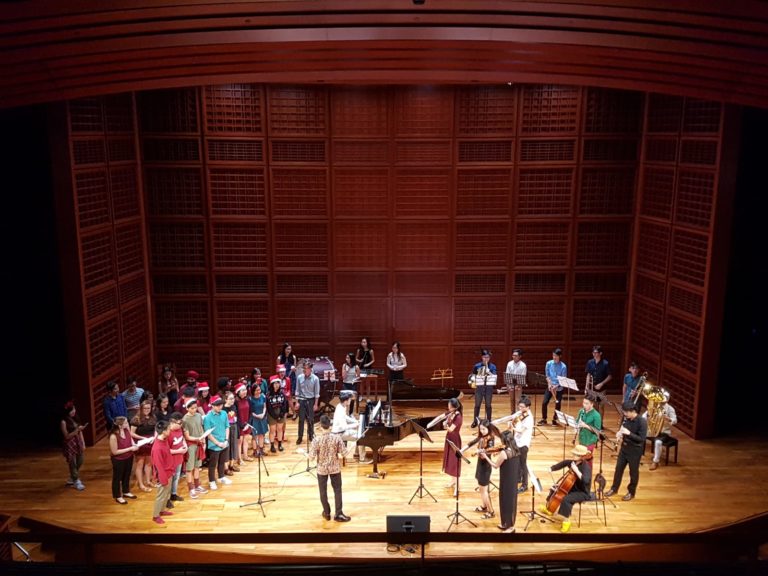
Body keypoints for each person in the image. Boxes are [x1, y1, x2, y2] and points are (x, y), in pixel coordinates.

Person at [539, 444, 593, 533]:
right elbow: (563, 463)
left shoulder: (585, 467)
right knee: (555, 488)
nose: (573, 456)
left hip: (582, 492)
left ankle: (566, 521)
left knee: (566, 499)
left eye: (575, 455)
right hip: (573, 488)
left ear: (581, 457)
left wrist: (576, 470)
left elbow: (586, 481)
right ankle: (549, 509)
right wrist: (552, 468)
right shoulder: (573, 462)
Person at [308, 414, 350, 522]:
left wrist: (304, 454)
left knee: (323, 491)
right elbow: (345, 454)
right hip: (335, 468)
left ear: (320, 426)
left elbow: (311, 458)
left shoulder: (316, 440)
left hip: (321, 469)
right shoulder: (337, 438)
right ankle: (338, 514)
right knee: (337, 490)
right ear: (330, 426)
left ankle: (326, 513)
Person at [605, 401, 647, 501]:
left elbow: (641, 439)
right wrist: (620, 434)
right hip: (624, 449)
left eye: (626, 412)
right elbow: (623, 429)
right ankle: (614, 489)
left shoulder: (642, 421)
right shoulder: (626, 418)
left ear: (632, 411)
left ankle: (631, 492)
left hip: (635, 451)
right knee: (618, 469)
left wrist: (628, 433)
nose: (624, 414)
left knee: (633, 472)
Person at [481, 429, 520, 533]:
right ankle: (506, 523)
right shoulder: (516, 449)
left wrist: (486, 456)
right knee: (510, 502)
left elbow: (495, 466)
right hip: (513, 479)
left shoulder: (504, 453)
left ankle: (510, 527)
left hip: (506, 479)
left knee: (505, 501)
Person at [462, 419, 499, 519]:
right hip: (480, 464)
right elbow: (472, 442)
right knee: (482, 489)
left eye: (483, 429)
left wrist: (481, 452)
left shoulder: (490, 439)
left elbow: (488, 452)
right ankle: (484, 506)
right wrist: (461, 450)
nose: (482, 431)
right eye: (480, 429)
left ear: (488, 428)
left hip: (485, 467)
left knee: (484, 491)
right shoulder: (482, 436)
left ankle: (491, 512)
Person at [108, 416, 138, 505]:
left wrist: (134, 445)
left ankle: (126, 491)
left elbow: (131, 440)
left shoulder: (126, 430)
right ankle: (117, 496)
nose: (127, 424)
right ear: (120, 425)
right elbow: (115, 451)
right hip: (118, 459)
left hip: (129, 457)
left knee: (127, 475)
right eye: (125, 423)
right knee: (117, 477)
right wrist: (130, 448)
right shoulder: (113, 436)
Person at [181, 398, 207, 498]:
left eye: (196, 408)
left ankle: (197, 485)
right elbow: (187, 436)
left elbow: (201, 428)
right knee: (189, 468)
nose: (194, 410)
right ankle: (191, 488)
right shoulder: (185, 420)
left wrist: (203, 440)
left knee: (197, 466)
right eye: (192, 408)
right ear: (187, 408)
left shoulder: (199, 416)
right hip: (191, 445)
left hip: (199, 443)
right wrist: (198, 439)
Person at [203, 395, 231, 490]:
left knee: (222, 462)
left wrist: (226, 440)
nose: (220, 407)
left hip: (224, 442)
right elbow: (208, 434)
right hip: (214, 445)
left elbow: (227, 427)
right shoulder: (207, 417)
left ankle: (221, 477)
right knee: (212, 464)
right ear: (212, 405)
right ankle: (212, 481)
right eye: (218, 405)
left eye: (221, 405)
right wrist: (218, 443)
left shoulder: (224, 413)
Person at [150, 420, 175, 524]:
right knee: (161, 495)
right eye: (168, 429)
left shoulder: (163, 440)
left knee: (166, 494)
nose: (170, 430)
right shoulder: (157, 448)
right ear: (164, 431)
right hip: (163, 475)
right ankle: (155, 516)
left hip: (169, 472)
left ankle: (162, 510)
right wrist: (163, 478)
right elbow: (159, 466)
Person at [332, 390, 367, 462]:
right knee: (361, 436)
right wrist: (355, 425)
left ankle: (357, 453)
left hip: (341, 431)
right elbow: (343, 426)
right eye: (350, 399)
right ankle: (362, 458)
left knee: (359, 432)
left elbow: (345, 417)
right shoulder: (340, 410)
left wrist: (355, 421)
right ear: (346, 401)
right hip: (339, 434)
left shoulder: (341, 406)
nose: (350, 400)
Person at [130, 400, 156, 493]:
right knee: (140, 464)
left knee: (149, 463)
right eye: (145, 408)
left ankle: (148, 481)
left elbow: (155, 430)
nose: (146, 410)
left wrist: (154, 437)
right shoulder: (136, 419)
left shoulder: (153, 417)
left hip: (150, 442)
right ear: (141, 408)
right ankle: (141, 484)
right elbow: (131, 433)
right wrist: (142, 437)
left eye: (148, 408)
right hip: (140, 443)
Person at [60, 401, 86, 491]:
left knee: (80, 460)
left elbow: (80, 431)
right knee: (72, 463)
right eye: (71, 410)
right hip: (70, 443)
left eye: (74, 409)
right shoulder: (63, 422)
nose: (74, 411)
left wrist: (83, 442)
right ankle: (76, 480)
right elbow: (66, 436)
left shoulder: (76, 418)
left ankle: (72, 477)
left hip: (78, 441)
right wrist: (76, 431)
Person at [540, 347, 567, 426]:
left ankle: (555, 419)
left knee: (557, 404)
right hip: (550, 386)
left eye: (556, 356)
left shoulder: (563, 366)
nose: (554, 357)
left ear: (560, 356)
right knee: (544, 402)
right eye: (553, 355)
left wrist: (556, 386)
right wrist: (549, 384)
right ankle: (544, 419)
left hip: (559, 387)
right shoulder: (549, 363)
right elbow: (547, 375)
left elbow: (563, 379)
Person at [166, 412, 188, 509]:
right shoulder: (167, 433)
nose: (181, 425)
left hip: (179, 458)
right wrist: (178, 450)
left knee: (176, 477)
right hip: (170, 460)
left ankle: (173, 494)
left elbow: (182, 439)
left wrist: (185, 446)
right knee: (168, 480)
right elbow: (165, 450)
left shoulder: (179, 429)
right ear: (172, 422)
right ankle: (166, 499)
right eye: (179, 423)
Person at [441, 397, 463, 494]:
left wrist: (445, 425)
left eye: (450, 407)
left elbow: (451, 429)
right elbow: (444, 417)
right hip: (449, 438)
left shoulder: (458, 417)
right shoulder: (452, 413)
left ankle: (457, 486)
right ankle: (453, 481)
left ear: (454, 407)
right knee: (450, 461)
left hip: (455, 440)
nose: (448, 408)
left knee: (455, 462)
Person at [511, 396, 533, 493]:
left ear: (528, 407)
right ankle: (518, 478)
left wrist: (512, 427)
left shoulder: (529, 418)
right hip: (517, 441)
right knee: (518, 462)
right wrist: (511, 420)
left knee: (523, 464)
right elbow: (514, 418)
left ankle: (525, 485)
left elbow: (520, 430)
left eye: (522, 407)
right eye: (519, 406)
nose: (520, 409)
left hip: (523, 443)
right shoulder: (521, 413)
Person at [295, 361, 320, 445]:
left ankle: (311, 435)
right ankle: (300, 437)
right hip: (302, 400)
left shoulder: (315, 379)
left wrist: (316, 404)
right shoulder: (299, 377)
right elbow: (297, 391)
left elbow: (317, 393)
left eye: (307, 368)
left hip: (311, 400)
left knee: (311, 419)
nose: (305, 370)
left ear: (310, 369)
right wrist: (297, 402)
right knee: (301, 419)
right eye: (304, 368)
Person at [471, 349, 497, 427]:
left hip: (488, 388)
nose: (486, 359)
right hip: (479, 387)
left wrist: (488, 371)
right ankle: (475, 421)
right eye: (484, 357)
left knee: (488, 405)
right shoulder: (477, 366)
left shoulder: (492, 366)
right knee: (477, 405)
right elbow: (473, 376)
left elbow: (494, 376)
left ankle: (489, 421)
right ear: (482, 357)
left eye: (488, 357)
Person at [648, 402, 678, 471]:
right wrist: (647, 416)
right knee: (640, 432)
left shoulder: (670, 409)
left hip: (664, 432)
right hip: (654, 429)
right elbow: (646, 414)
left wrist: (668, 419)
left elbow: (675, 420)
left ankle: (655, 461)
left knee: (658, 442)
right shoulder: (655, 406)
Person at [586, 345, 612, 417]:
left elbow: (610, 376)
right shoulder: (590, 362)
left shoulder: (605, 363)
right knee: (594, 406)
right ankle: (595, 423)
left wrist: (601, 384)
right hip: (592, 388)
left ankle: (600, 424)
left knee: (601, 406)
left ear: (600, 353)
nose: (594, 354)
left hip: (602, 389)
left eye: (596, 353)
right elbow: (588, 374)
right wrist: (586, 386)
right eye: (593, 353)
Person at [266, 375, 288, 453]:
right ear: (272, 384)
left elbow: (284, 404)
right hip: (272, 414)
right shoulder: (268, 395)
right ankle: (272, 445)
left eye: (278, 383)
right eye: (275, 383)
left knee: (280, 429)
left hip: (280, 413)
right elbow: (269, 407)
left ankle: (279, 444)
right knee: (272, 430)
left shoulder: (282, 393)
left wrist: (281, 414)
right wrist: (275, 416)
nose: (276, 385)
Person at [248, 382, 269, 457]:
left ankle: (261, 450)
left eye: (259, 389)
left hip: (262, 418)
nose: (258, 391)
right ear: (253, 391)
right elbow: (250, 411)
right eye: (256, 390)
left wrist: (263, 414)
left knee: (262, 435)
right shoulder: (250, 399)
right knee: (255, 436)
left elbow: (265, 407)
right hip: (254, 418)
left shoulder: (263, 396)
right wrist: (256, 415)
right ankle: (255, 451)